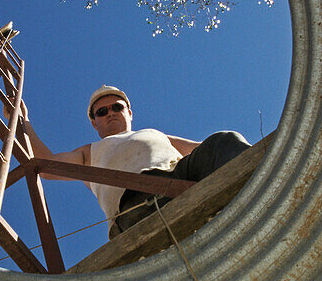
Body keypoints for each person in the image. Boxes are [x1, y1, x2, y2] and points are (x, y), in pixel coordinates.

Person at [21, 85, 251, 236]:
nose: (110, 113)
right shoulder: (89, 152)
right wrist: (23, 121)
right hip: (133, 205)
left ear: (129, 113)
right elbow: (46, 166)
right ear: (95, 123)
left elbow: (202, 148)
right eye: (101, 112)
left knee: (224, 141)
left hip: (180, 178)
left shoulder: (155, 134)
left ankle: (267, 188)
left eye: (116, 107)